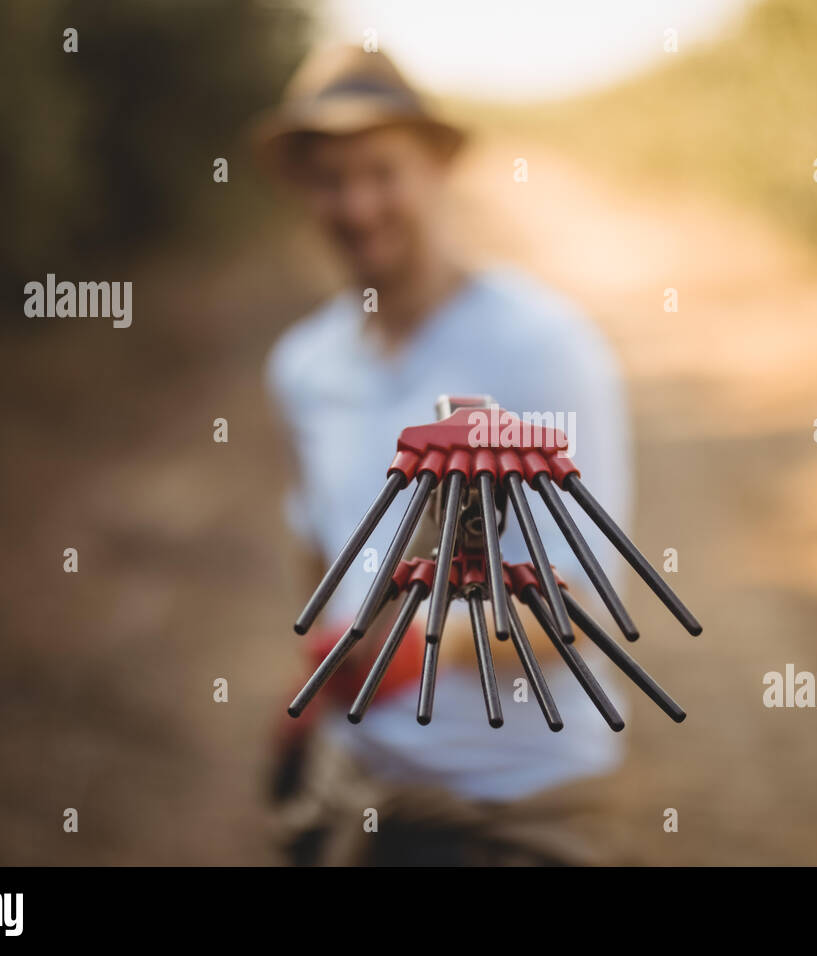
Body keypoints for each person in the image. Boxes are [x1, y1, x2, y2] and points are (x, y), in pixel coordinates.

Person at [255, 45, 633, 865]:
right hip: (360, 796)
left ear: (437, 169)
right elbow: (325, 577)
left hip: (516, 812)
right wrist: (321, 684)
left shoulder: (542, 347)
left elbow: (578, 611)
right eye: (329, 179)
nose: (357, 204)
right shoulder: (304, 367)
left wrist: (395, 654)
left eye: (382, 171)